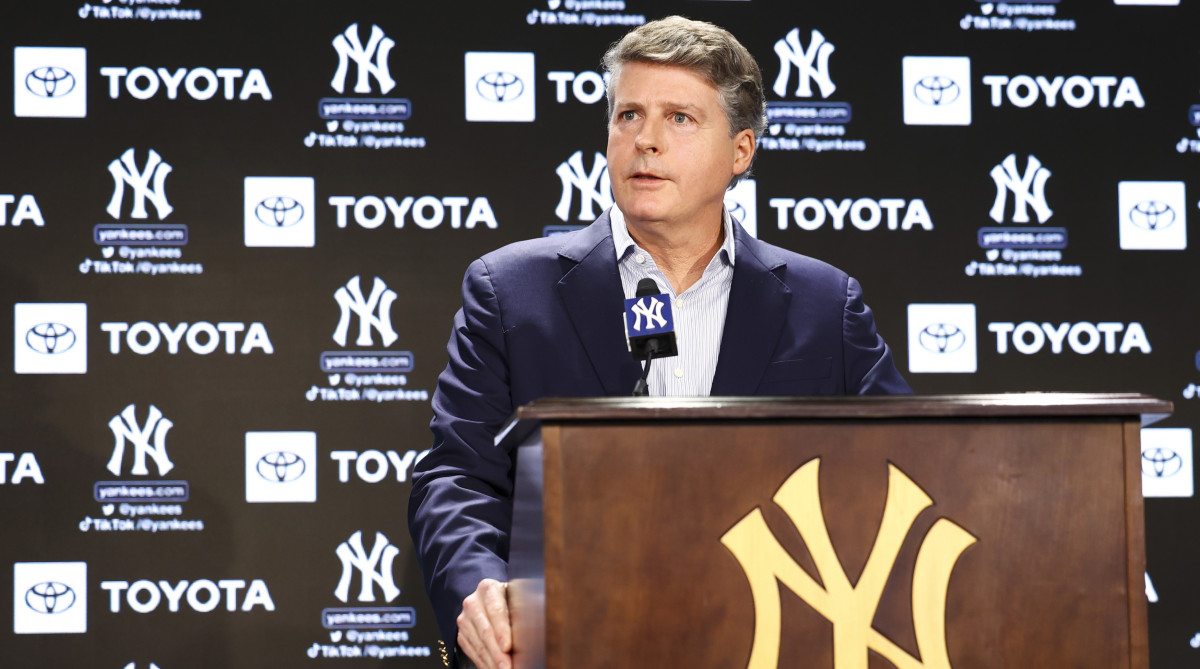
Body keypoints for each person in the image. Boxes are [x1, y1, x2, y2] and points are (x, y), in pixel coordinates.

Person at [408, 15, 911, 669]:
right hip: (575, 643)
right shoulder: (510, 291)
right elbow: (455, 475)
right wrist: (477, 586)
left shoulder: (823, 304)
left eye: (679, 118)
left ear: (741, 151)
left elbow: (902, 474)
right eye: (628, 116)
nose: (645, 140)